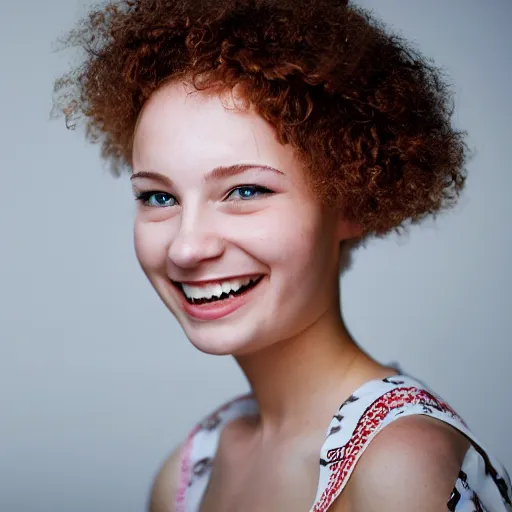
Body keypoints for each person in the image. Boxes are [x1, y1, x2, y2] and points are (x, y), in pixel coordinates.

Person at [53, 0, 511, 510]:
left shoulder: (401, 465)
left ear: (350, 200)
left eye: (246, 191)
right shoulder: (185, 477)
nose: (186, 247)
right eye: (159, 197)